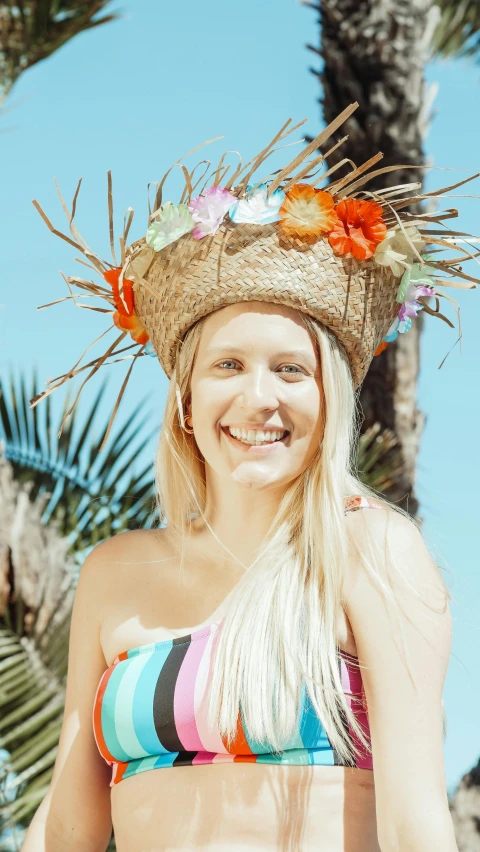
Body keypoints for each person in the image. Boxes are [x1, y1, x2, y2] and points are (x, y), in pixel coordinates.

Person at [22, 102, 476, 851]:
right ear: (187, 402)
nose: (258, 398)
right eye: (227, 366)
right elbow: (68, 823)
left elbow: (414, 822)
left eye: (291, 370)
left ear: (329, 398)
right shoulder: (115, 573)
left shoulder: (373, 552)